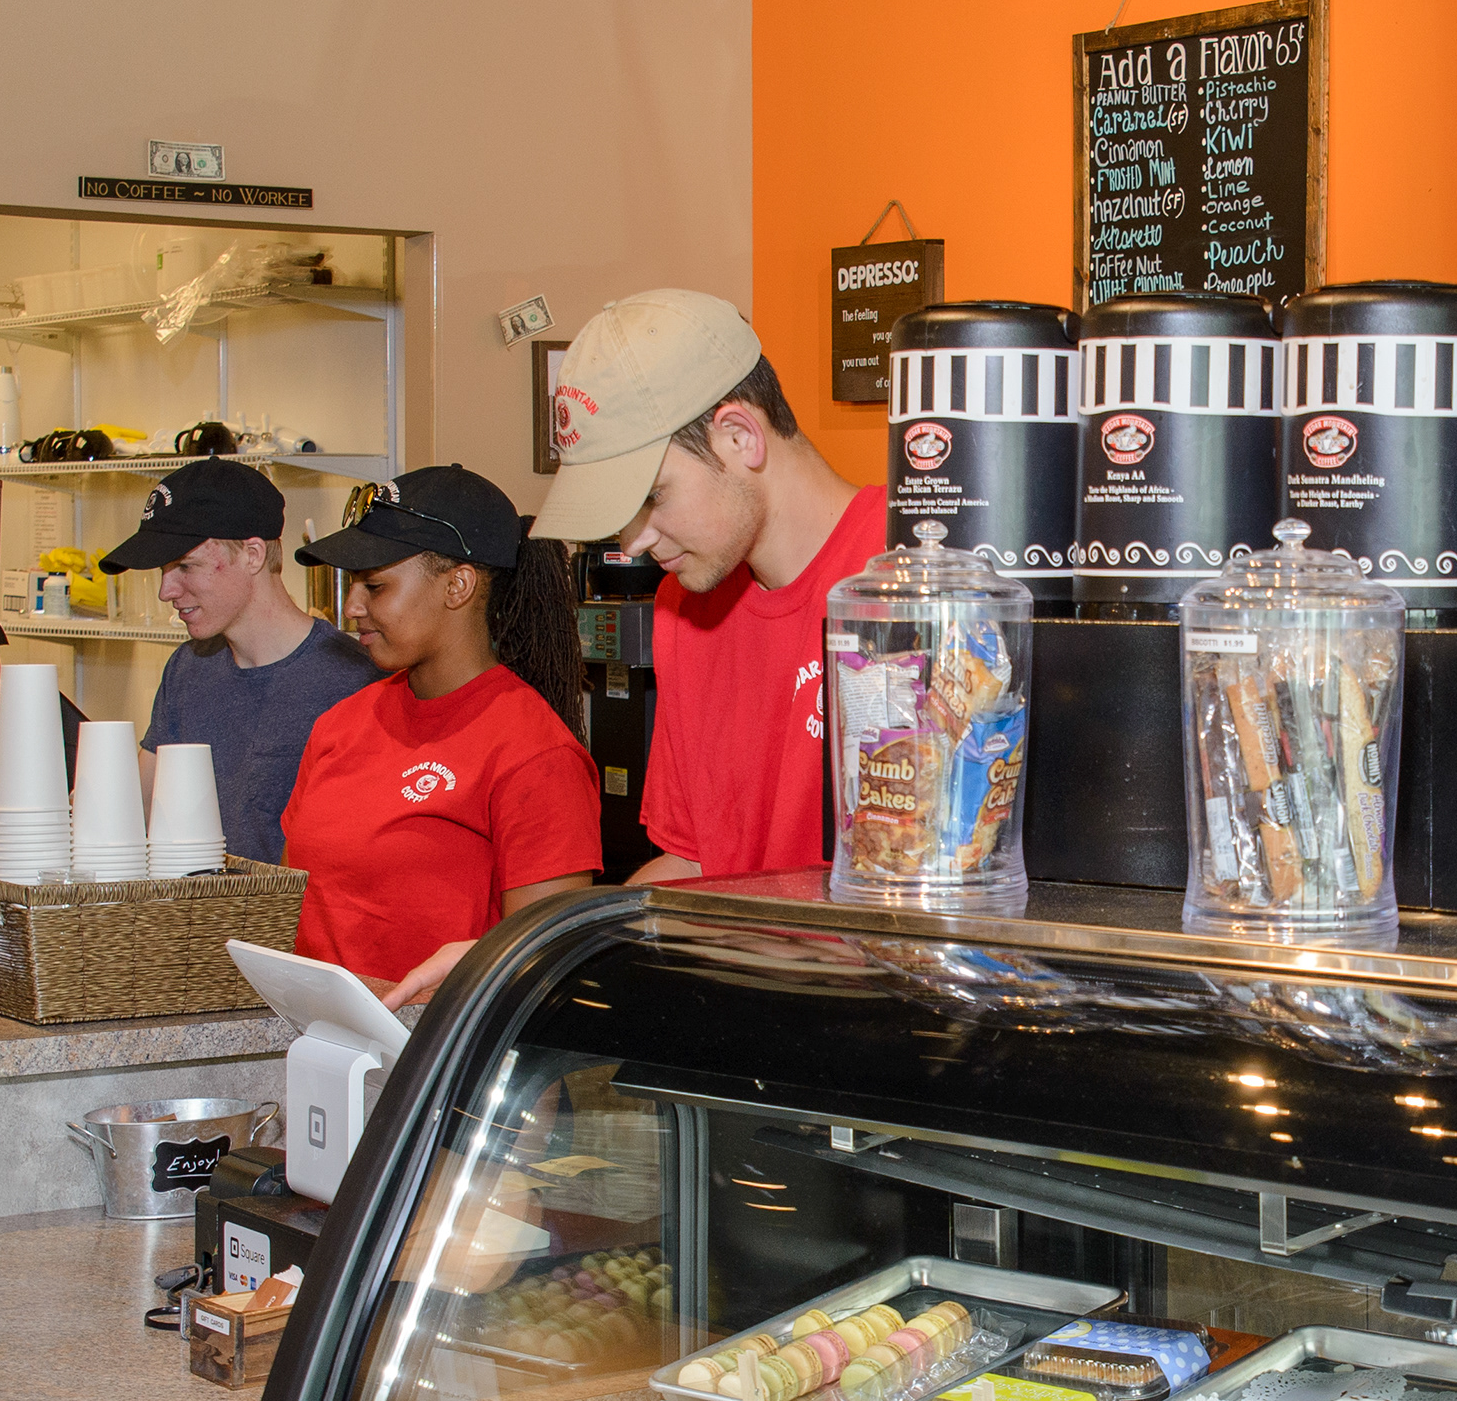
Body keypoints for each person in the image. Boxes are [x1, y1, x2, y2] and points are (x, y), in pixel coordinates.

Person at [528, 289, 882, 884]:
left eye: (652, 497)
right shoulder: (682, 607)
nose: (633, 543)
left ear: (740, 436)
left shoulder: (918, 577)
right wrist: (560, 933)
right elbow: (695, 860)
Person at [281, 465, 600, 1005]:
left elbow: (543, 975)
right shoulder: (339, 725)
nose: (352, 607)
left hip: (435, 1048)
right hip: (318, 1037)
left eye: (375, 586)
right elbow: (296, 905)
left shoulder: (534, 754)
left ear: (458, 585)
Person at [107, 456, 378, 862]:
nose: (166, 591)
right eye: (164, 570)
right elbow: (137, 812)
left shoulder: (354, 680)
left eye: (185, 566)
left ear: (252, 555)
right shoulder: (187, 668)